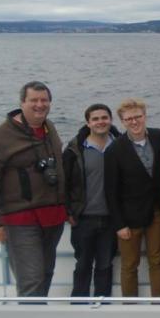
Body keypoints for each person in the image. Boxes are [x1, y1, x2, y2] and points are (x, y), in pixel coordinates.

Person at [0, 81, 66, 297]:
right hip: (20, 220)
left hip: (53, 217)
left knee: (46, 274)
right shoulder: (1, 136)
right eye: (33, 100)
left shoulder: (48, 127)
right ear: (22, 103)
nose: (39, 105)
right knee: (31, 281)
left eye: (44, 100)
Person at [104, 98, 160, 297]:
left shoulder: (159, 137)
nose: (134, 122)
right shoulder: (114, 150)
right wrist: (119, 224)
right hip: (129, 217)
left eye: (138, 116)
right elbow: (110, 190)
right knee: (130, 265)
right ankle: (129, 308)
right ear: (122, 122)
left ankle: (159, 305)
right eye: (129, 119)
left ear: (145, 116)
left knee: (157, 261)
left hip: (157, 211)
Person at [63, 103, 120, 297]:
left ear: (111, 120)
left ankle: (102, 307)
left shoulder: (120, 146)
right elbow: (65, 183)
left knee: (105, 265)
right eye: (95, 119)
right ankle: (78, 306)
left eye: (104, 117)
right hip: (84, 218)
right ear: (88, 122)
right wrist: (68, 211)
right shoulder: (75, 150)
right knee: (83, 264)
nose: (100, 122)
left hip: (112, 219)